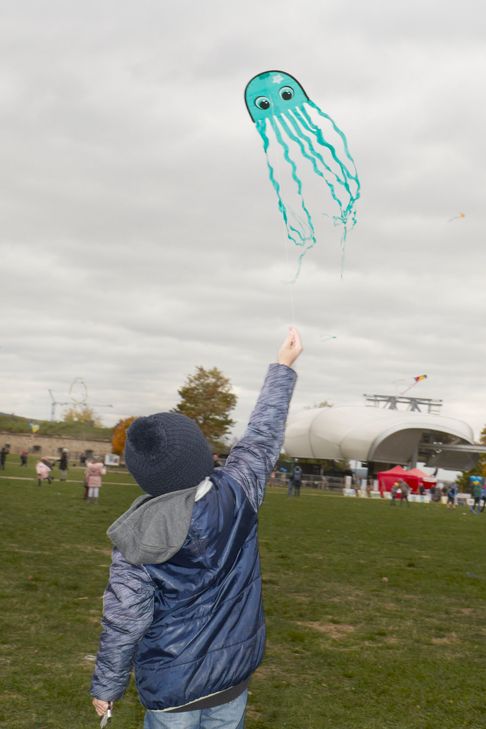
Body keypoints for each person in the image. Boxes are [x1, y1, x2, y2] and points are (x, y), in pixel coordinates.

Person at [91, 327, 303, 729]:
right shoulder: (238, 490)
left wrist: (107, 685)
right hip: (230, 675)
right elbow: (262, 436)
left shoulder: (136, 536)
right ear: (200, 453)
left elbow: (124, 621)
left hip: (175, 686)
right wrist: (281, 367)